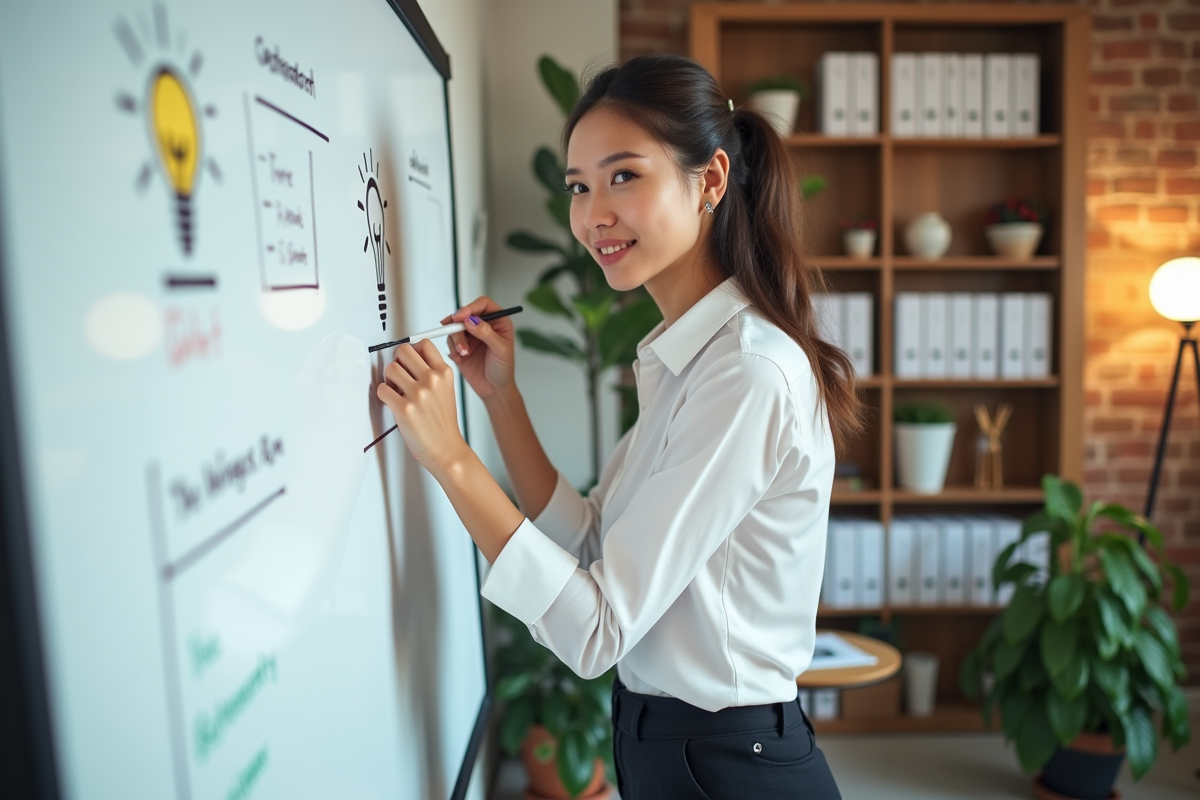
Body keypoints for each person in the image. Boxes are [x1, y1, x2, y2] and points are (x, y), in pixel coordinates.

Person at [376, 54, 862, 799]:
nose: (593, 213)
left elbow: (597, 630)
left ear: (710, 181)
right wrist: (501, 401)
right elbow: (592, 539)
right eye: (579, 186)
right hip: (672, 748)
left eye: (624, 176)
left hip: (730, 765)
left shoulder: (745, 372)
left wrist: (449, 458)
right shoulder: (687, 358)